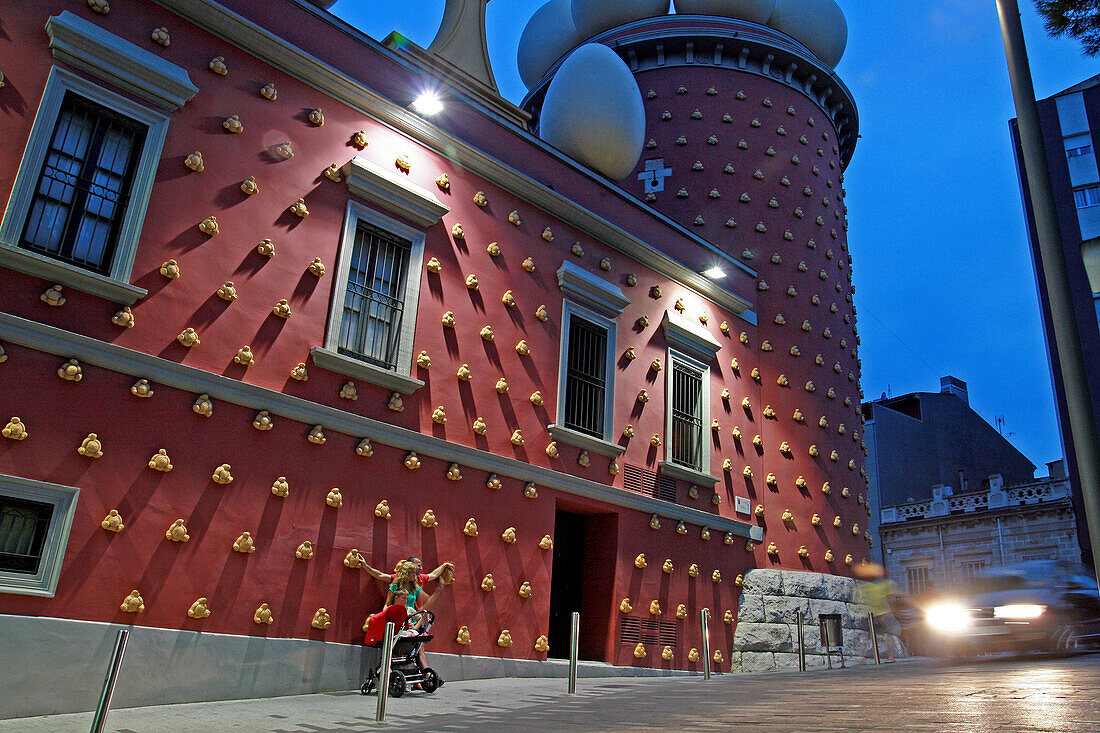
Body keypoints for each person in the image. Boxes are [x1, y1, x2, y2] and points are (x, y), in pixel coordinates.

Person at [855, 562, 900, 662]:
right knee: (888, 635)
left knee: (867, 636)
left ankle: (861, 657)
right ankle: (891, 656)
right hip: (883, 613)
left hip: (873, 614)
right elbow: (892, 598)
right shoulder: (886, 584)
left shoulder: (868, 587)